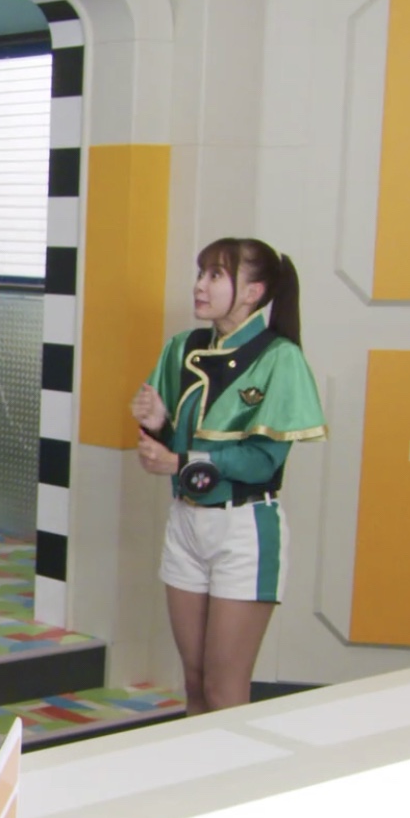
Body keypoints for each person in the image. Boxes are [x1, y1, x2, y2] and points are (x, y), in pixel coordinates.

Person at [132, 238, 327, 714]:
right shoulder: (182, 348)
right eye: (200, 273)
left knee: (224, 688)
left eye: (215, 275)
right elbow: (174, 443)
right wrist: (158, 425)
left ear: (253, 292)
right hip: (185, 523)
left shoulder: (280, 358)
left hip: (243, 529)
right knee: (195, 683)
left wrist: (180, 462)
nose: (199, 285)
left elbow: (263, 461)